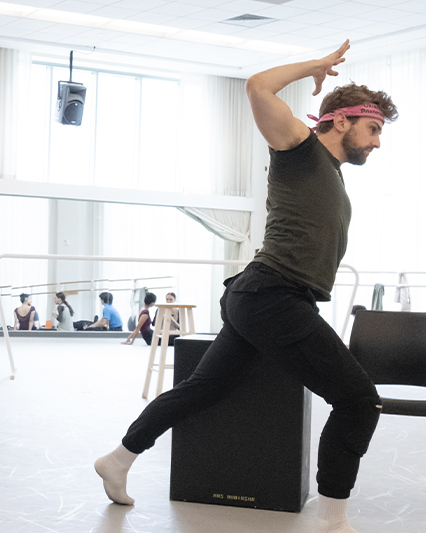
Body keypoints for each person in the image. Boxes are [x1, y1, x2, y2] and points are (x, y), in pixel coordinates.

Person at [94, 41, 393, 533]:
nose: (378, 142)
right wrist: (315, 67)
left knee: (204, 388)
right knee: (359, 400)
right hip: (272, 296)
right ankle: (332, 519)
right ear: (341, 120)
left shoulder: (333, 175)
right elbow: (257, 86)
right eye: (374, 129)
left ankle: (118, 458)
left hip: (263, 296)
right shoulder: (300, 150)